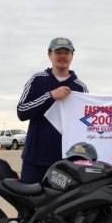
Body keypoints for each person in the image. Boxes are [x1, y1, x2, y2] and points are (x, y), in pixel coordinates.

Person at [17, 37, 88, 183]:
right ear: (50, 55)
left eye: (66, 53)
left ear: (72, 56)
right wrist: (50, 96)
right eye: (58, 52)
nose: (62, 56)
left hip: (67, 162)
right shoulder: (37, 79)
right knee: (29, 203)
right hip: (35, 159)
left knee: (63, 205)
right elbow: (21, 111)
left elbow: (86, 124)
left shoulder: (80, 87)